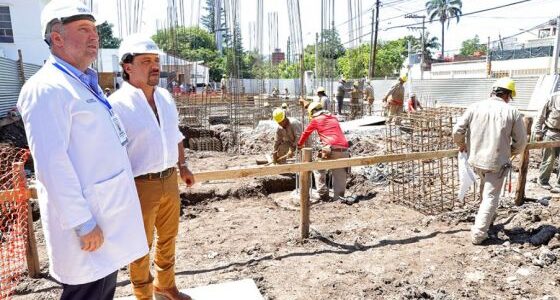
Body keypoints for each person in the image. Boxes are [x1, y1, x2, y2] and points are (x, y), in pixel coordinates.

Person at [17, 1, 148, 298]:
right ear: (57, 37)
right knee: (87, 292)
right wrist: (83, 223)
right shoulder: (46, 89)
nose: (94, 37)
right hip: (88, 225)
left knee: (102, 290)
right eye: (83, 29)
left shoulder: (84, 82)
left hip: (106, 214)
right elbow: (51, 163)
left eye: (95, 30)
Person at [109, 35, 195, 300]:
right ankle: (143, 295)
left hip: (169, 179)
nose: (154, 65)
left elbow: (175, 134)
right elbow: (113, 151)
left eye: (156, 60)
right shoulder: (116, 104)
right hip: (139, 184)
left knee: (168, 238)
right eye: (146, 61)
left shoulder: (166, 97)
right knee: (140, 245)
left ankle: (165, 286)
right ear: (128, 67)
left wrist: (183, 166)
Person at [453, 77, 527, 245]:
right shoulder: (512, 112)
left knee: (484, 188)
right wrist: (511, 152)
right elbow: (521, 142)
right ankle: (479, 234)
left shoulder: (475, 107)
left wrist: (462, 144)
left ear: (493, 91)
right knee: (491, 196)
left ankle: (488, 219)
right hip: (497, 162)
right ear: (508, 95)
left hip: (476, 159)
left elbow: (457, 131)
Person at [298, 102, 350, 201]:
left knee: (318, 168)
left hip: (330, 149)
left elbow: (306, 133)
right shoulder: (333, 117)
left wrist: (299, 144)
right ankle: (338, 199)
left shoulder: (315, 120)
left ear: (312, 112)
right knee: (339, 175)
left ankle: (323, 194)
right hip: (344, 150)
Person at [533, 91, 560, 192]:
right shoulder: (553, 98)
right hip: (551, 133)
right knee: (548, 160)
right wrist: (538, 132)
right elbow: (540, 116)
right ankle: (543, 181)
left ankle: (559, 184)